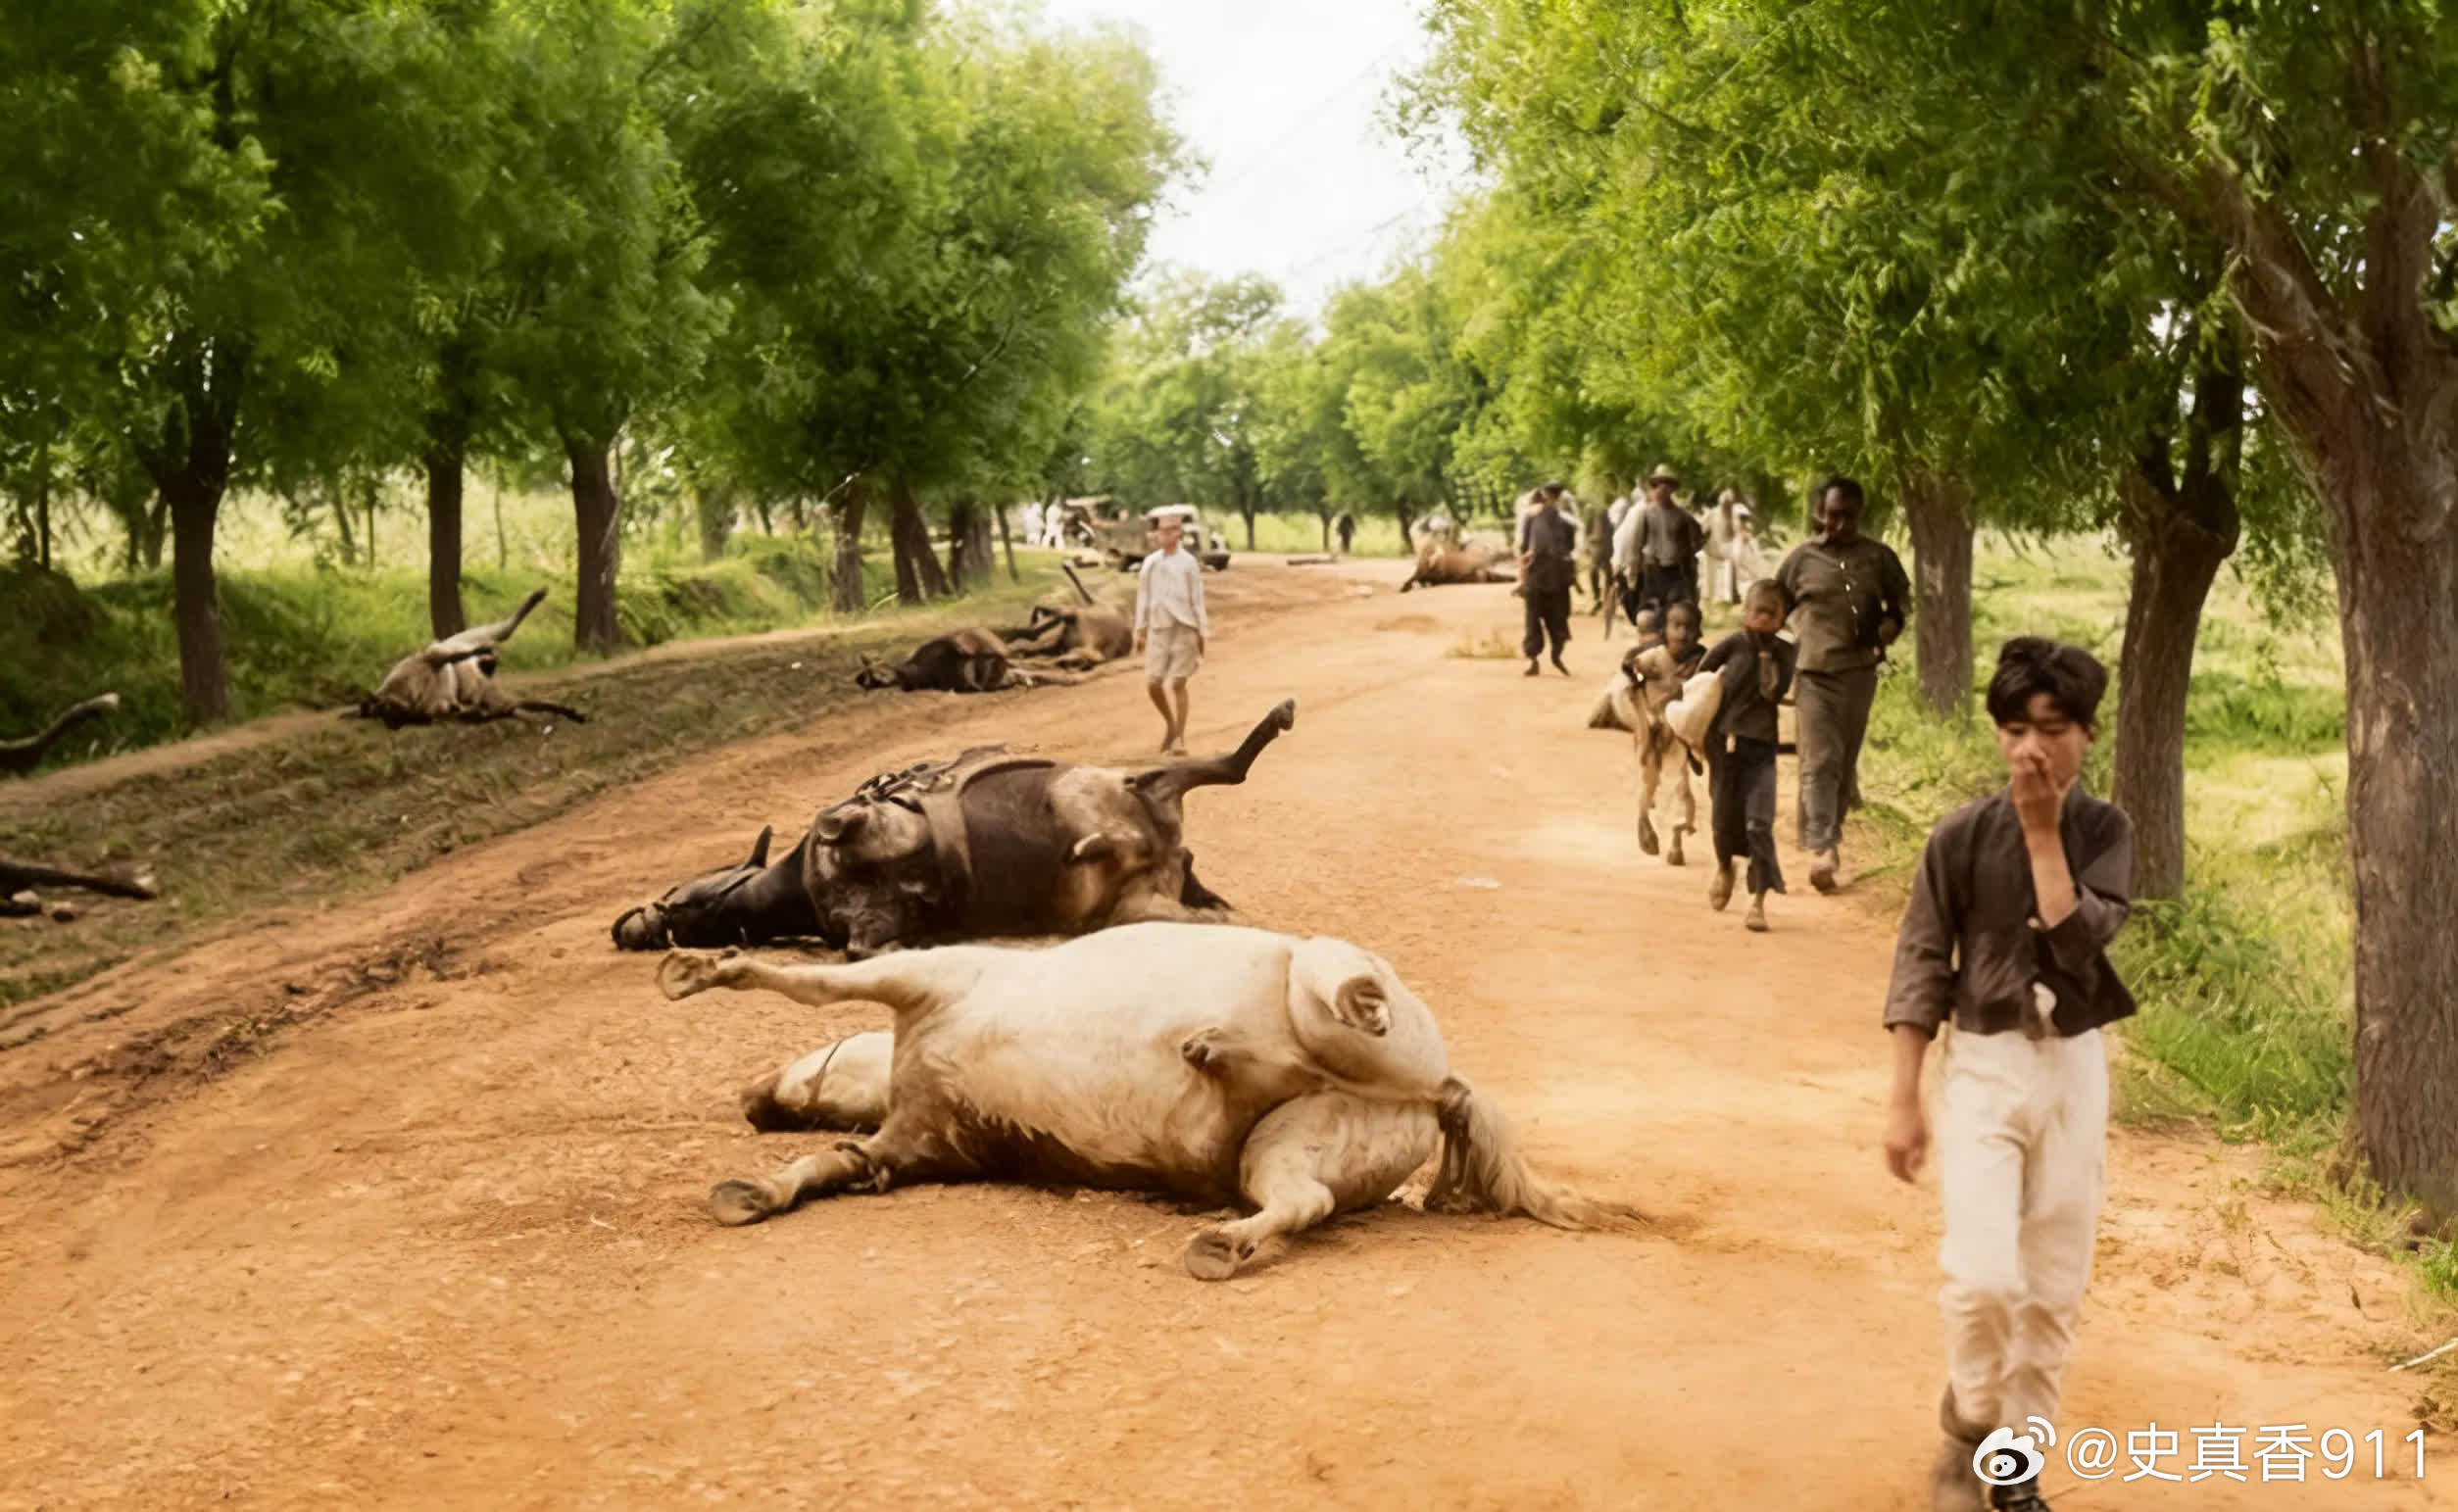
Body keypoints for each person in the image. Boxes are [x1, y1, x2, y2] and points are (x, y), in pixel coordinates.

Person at [1882, 638, 2132, 1512]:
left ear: (2087, 736)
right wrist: (1904, 1096)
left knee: (2054, 1281)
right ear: (1998, 734)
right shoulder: (1956, 838)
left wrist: (2041, 831)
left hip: (2071, 1070)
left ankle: (2016, 1465)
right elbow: (1919, 960)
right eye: (2017, 729)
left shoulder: (2105, 833)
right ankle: (1973, 1413)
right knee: (1984, 1274)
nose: (2034, 748)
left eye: (2054, 730)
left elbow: (2078, 940)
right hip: (1982, 1066)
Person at [1777, 474, 1911, 894]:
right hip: (1814, 673)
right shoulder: (1801, 560)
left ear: (1859, 516)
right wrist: (1778, 648)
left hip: (1859, 673)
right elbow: (1773, 603)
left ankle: (1829, 829)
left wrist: (1885, 634)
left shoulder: (1879, 558)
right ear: (1820, 514)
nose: (1839, 524)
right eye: (1832, 515)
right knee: (1820, 760)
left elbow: (1901, 604)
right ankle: (1824, 848)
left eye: (1848, 516)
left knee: (1844, 761)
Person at [1697, 580, 1794, 932]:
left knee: (1759, 824)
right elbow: (1698, 684)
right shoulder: (1732, 645)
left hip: (1762, 750)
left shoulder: (1786, 653)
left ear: (1784, 618)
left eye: (1773, 614)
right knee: (1723, 823)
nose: (1765, 619)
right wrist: (1693, 737)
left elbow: (1780, 689)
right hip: (1726, 747)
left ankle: (1758, 901)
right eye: (1759, 612)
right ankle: (1725, 867)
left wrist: (1767, 655)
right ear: (1746, 612)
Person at [1626, 601, 1705, 864]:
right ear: (1665, 629)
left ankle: (1675, 840)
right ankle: (1642, 818)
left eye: (1689, 628)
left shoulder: (1700, 660)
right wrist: (1640, 674)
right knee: (1648, 779)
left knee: (1678, 781)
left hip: (1678, 732)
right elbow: (1629, 674)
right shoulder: (1654, 657)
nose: (1682, 634)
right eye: (1676, 626)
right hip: (1650, 729)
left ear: (1699, 631)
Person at [1132, 512, 1209, 755]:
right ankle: (1171, 725)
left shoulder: (1188, 563)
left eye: (1172, 530)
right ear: (1157, 534)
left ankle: (1180, 739)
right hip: (1158, 628)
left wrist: (1201, 632)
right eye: (1162, 530)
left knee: (1177, 682)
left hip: (1184, 627)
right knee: (1153, 683)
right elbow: (1143, 597)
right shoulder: (1151, 563)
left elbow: (1197, 599)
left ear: (1179, 533)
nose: (1166, 534)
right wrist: (1140, 629)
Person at [1516, 480, 1577, 677]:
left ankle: (1555, 656)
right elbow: (1524, 548)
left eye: (1554, 494)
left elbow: (1570, 548)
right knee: (1534, 619)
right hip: (1539, 576)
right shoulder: (1531, 518)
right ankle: (1534, 659)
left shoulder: (1565, 522)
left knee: (1557, 619)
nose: (1550, 498)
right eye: (1549, 494)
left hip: (1556, 577)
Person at [1635, 464, 1705, 623]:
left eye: (1667, 484)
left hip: (1676, 571)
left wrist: (1687, 553)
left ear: (1672, 489)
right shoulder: (1645, 514)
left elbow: (1699, 539)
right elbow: (1637, 543)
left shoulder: (1683, 516)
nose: (1662, 488)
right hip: (1652, 570)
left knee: (1676, 610)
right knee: (1648, 615)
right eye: (1658, 484)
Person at [1706, 489, 1751, 604]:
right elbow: (1702, 527)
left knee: (1733, 569)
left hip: (1733, 545)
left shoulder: (1737, 511)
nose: (1727, 507)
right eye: (1725, 504)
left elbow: (1745, 524)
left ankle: (1734, 595)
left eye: (1729, 504)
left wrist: (1745, 533)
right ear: (1721, 503)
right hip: (1717, 545)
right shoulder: (1713, 514)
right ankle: (1716, 596)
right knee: (1716, 572)